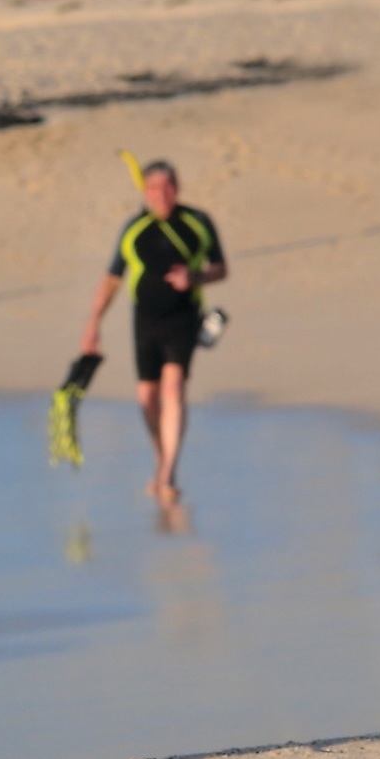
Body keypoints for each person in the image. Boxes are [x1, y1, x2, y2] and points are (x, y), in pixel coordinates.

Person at [80, 160, 227, 504]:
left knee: (173, 389)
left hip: (184, 316)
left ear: (178, 187)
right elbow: (112, 279)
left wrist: (195, 278)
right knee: (147, 397)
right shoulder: (134, 228)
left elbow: (220, 268)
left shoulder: (198, 223)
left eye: (168, 187)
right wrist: (93, 324)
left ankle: (167, 472)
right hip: (144, 320)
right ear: (144, 192)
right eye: (154, 189)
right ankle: (162, 456)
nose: (162, 195)